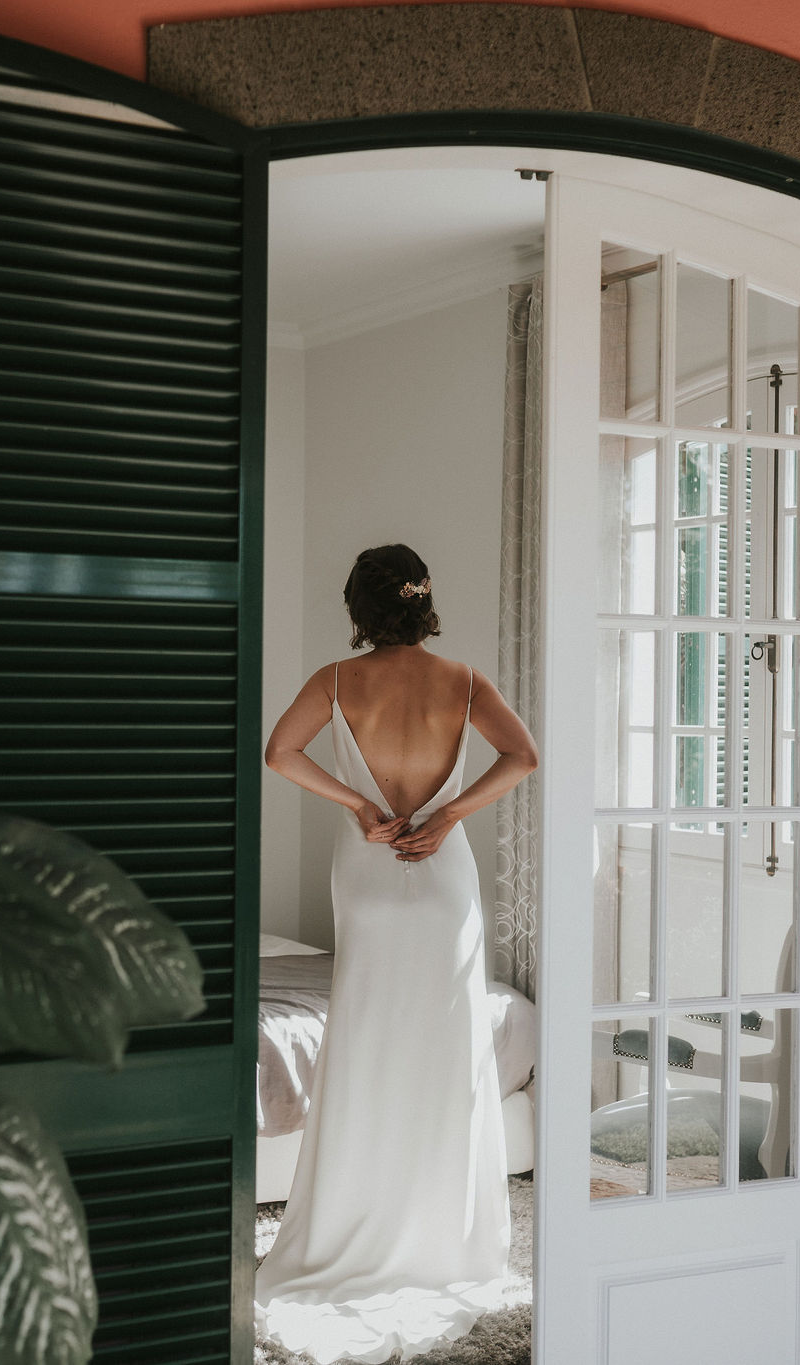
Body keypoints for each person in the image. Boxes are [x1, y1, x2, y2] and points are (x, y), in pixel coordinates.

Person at [254, 544, 540, 1364]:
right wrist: (449, 815)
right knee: (445, 1043)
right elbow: (523, 755)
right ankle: (444, 1236)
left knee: (369, 1037)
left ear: (359, 608)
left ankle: (355, 1217)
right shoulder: (463, 679)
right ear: (422, 601)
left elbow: (280, 753)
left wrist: (358, 805)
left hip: (371, 869)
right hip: (444, 876)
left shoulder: (337, 681)